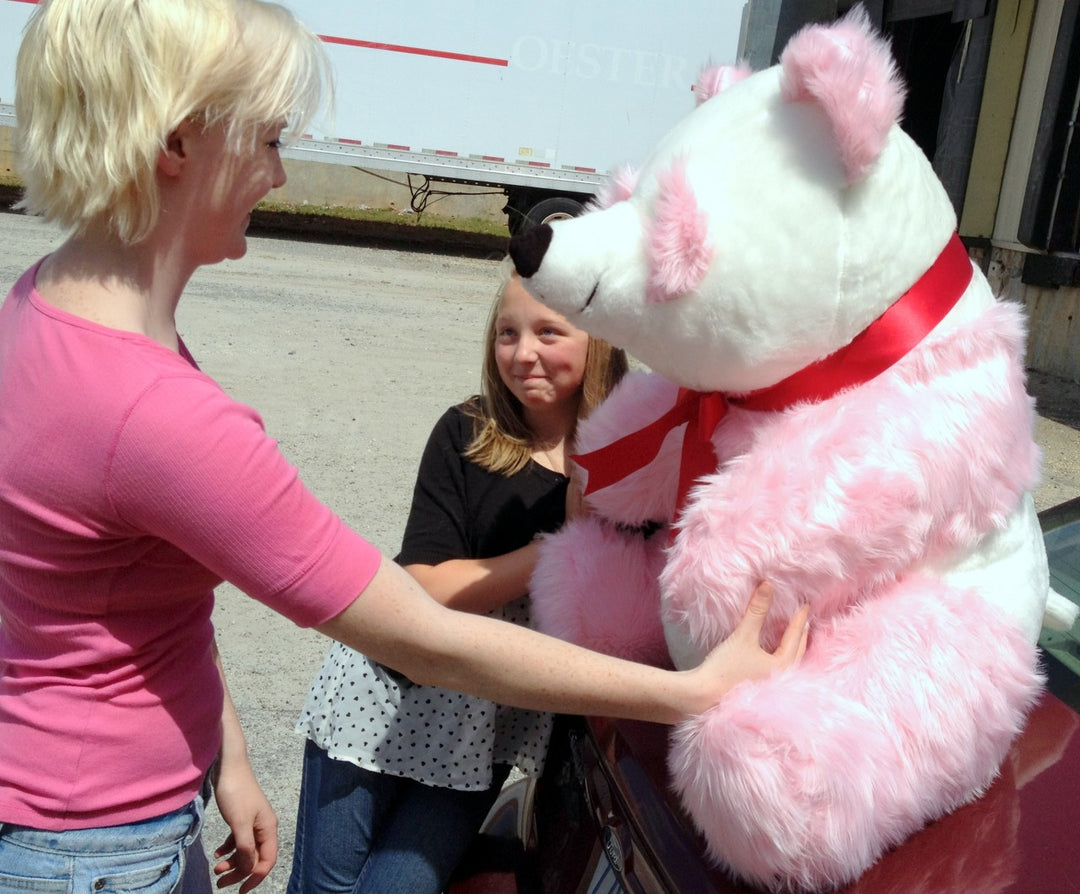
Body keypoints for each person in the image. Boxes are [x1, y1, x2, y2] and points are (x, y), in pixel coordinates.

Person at [0, 1, 810, 892]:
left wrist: (226, 754)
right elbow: (424, 636)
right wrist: (693, 691)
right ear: (177, 141)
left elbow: (135, 604)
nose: (278, 172)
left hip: (82, 815)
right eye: (267, 138)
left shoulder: (46, 307)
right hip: (98, 848)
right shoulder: (158, 413)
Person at [287, 263, 629, 894]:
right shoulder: (469, 433)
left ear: (599, 339)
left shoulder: (630, 464)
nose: (522, 354)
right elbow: (426, 587)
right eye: (507, 333)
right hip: (383, 700)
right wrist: (558, 545)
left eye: (548, 332)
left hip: (482, 732)